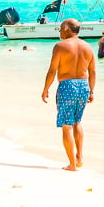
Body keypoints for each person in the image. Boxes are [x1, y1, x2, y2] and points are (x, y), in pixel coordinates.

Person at [41, 18, 96, 171]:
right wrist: (91, 90)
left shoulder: (60, 46)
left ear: (67, 28)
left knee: (67, 126)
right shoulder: (88, 46)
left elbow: (52, 70)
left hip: (67, 86)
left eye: (60, 28)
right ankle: (79, 158)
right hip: (84, 86)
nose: (59, 31)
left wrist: (46, 88)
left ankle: (72, 165)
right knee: (77, 122)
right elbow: (92, 71)